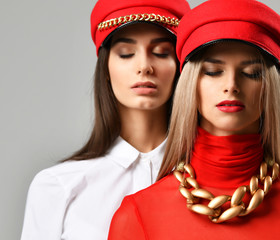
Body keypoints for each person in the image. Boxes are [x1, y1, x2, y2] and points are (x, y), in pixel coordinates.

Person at [108, 0, 280, 239]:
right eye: (213, 71)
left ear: (270, 87)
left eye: (251, 73)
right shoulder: (140, 214)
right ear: (191, 84)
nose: (231, 86)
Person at [20, 0, 191, 239]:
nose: (144, 66)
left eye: (161, 52)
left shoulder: (212, 184)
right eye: (126, 54)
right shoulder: (58, 187)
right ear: (106, 69)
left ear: (180, 68)